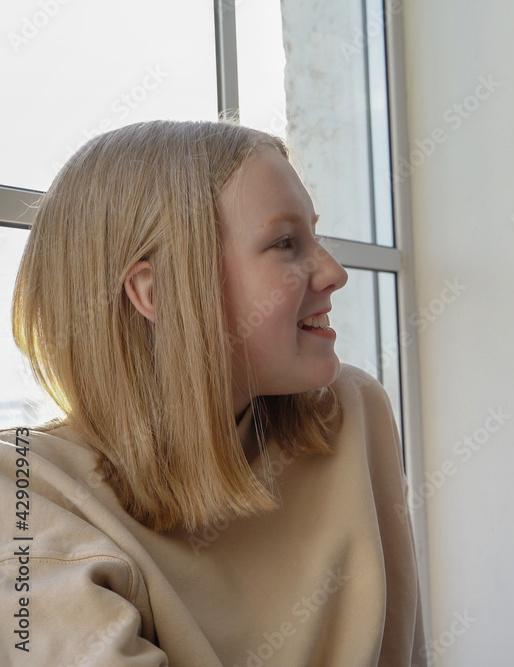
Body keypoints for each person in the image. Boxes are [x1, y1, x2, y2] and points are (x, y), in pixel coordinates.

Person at [0, 121, 425, 665]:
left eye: (314, 237)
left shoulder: (351, 414)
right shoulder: (30, 493)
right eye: (286, 243)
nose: (335, 272)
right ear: (158, 293)